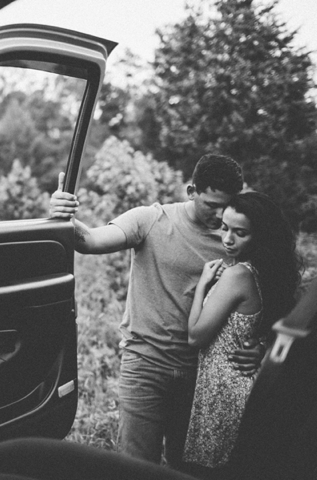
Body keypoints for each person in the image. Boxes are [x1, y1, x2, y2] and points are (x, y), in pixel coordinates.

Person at [49, 154, 264, 469]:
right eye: (210, 204)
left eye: (226, 205)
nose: (219, 215)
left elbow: (268, 293)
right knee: (136, 466)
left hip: (201, 373)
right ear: (191, 191)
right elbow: (90, 240)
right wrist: (63, 213)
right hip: (145, 365)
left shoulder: (236, 237)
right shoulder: (151, 220)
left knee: (188, 468)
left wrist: (261, 345)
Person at [181, 192, 301, 478]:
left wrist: (203, 285)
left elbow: (196, 337)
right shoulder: (268, 274)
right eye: (225, 227)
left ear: (260, 236)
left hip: (223, 392)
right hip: (245, 387)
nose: (227, 239)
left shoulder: (237, 276)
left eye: (240, 233)